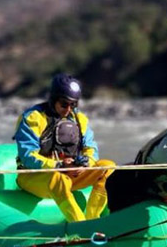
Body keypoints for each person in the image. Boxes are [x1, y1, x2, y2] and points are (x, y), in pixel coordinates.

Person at [14, 73, 115, 222]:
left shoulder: (80, 120)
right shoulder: (33, 118)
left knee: (108, 167)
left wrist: (85, 163)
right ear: (53, 99)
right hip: (34, 177)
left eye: (73, 104)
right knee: (58, 178)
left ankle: (93, 219)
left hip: (69, 174)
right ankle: (80, 226)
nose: (68, 109)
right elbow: (28, 156)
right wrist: (59, 165)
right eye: (64, 104)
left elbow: (91, 148)